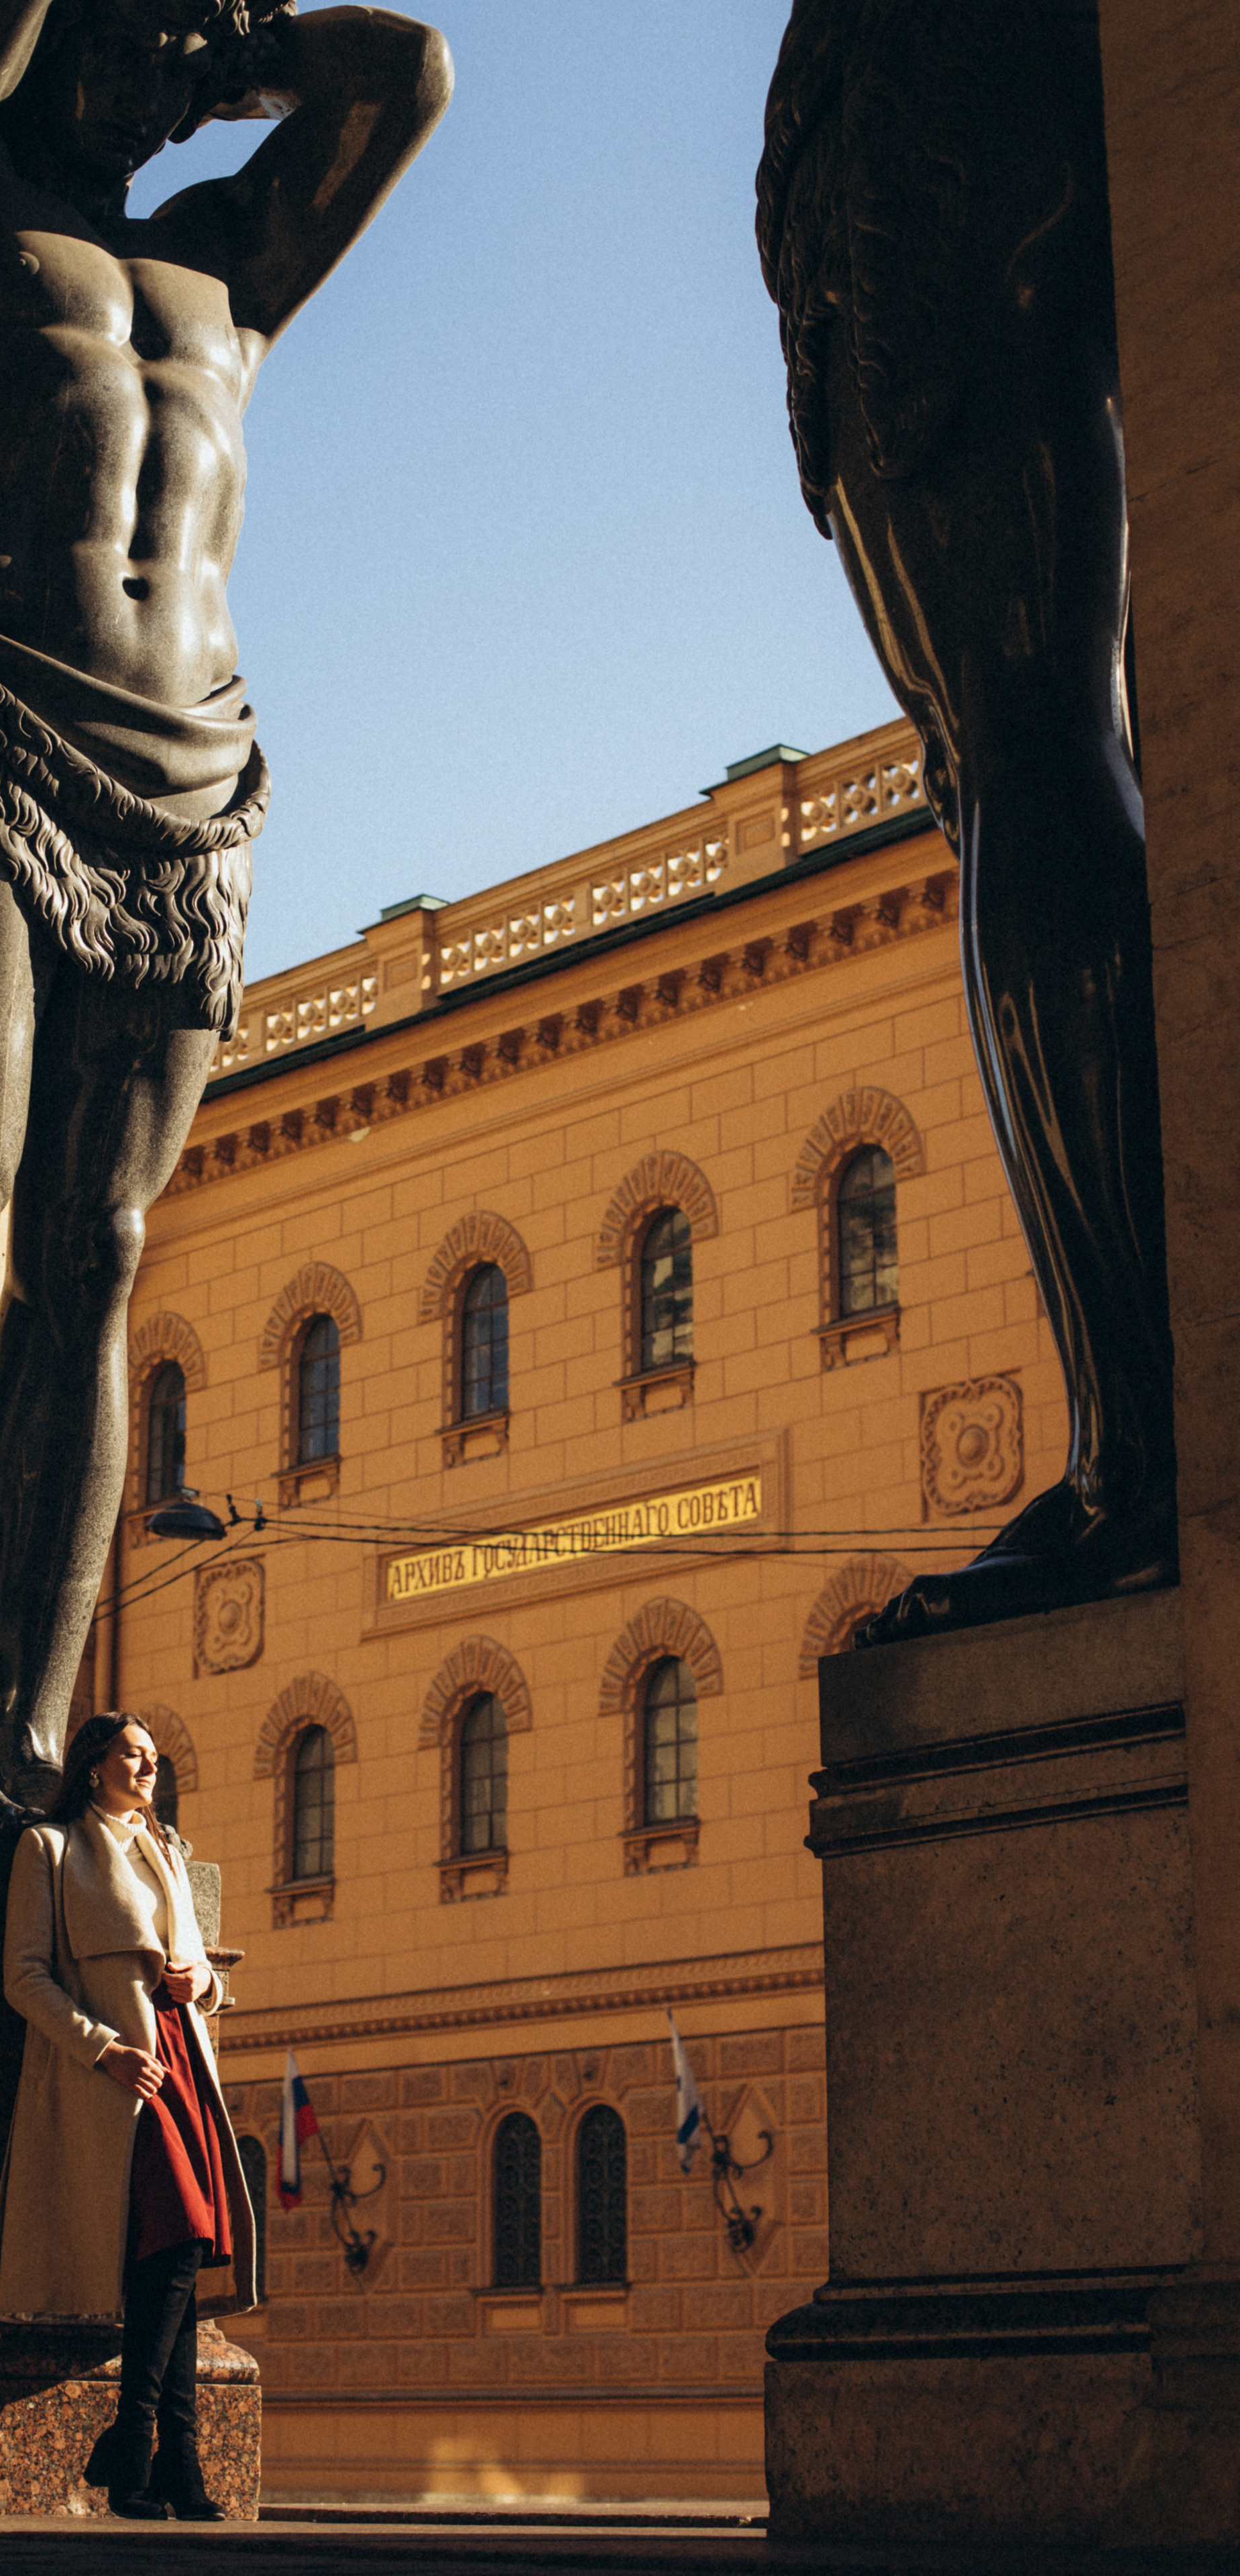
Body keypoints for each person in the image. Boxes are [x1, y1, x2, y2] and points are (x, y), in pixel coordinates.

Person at [0, 1, 453, 1849]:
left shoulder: (224, 266)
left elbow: (404, 77)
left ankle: (23, 1739)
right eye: (136, 17)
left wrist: (228, 51)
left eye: (196, 37)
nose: (158, 63)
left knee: (97, 1250)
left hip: (195, 788)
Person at [756, 0, 1177, 1643]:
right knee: (1023, 757)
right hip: (901, 161)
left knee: (1028, 752)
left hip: (932, 136)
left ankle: (1133, 1457)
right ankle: (1134, 1441)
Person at [0, 1711, 257, 2516]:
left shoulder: (168, 1849)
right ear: (94, 1765)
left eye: (154, 1757)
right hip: (116, 2075)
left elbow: (206, 1970)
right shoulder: (51, 1849)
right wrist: (102, 2047)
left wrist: (199, 1984)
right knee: (172, 2244)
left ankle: (164, 2459)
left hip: (182, 2060)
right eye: (132, 1755)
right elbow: (23, 1977)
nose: (148, 1767)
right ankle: (147, 2448)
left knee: (178, 2250)